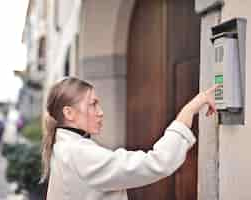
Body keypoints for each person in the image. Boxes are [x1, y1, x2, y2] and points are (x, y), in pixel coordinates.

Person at [41, 77, 219, 200]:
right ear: (69, 113)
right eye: (93, 104)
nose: (101, 112)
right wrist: (191, 108)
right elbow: (158, 163)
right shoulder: (78, 152)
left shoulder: (64, 147)